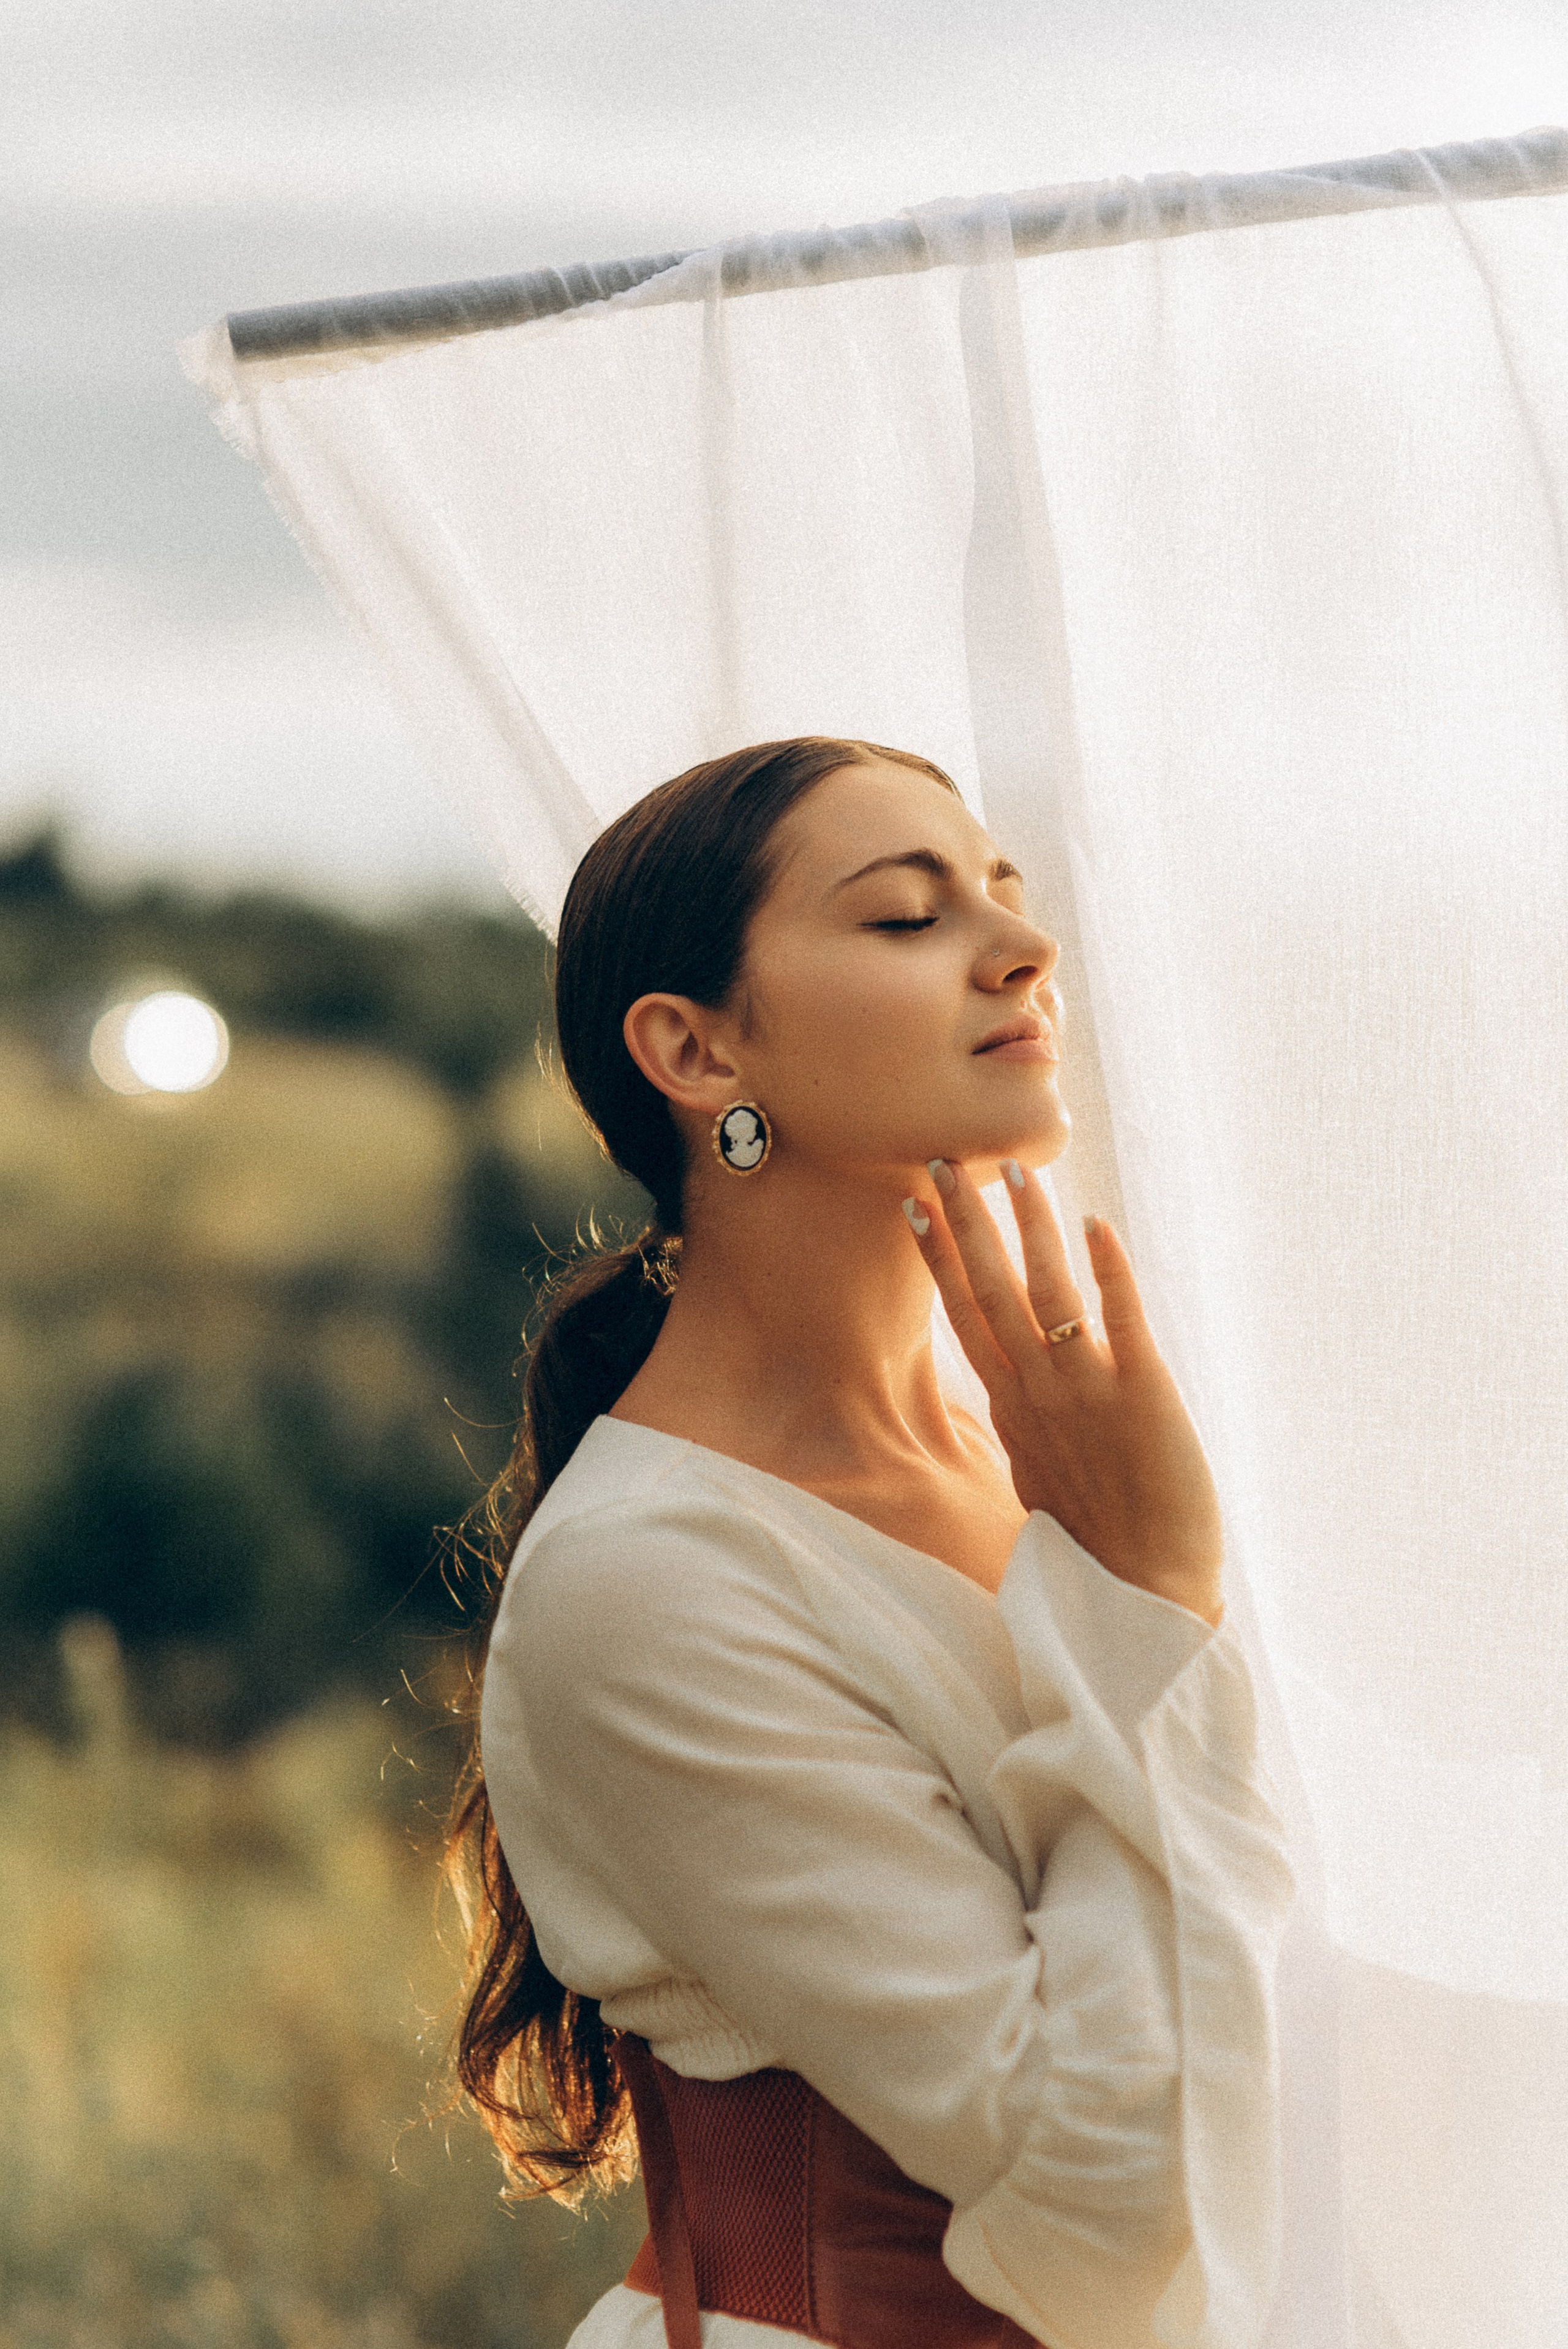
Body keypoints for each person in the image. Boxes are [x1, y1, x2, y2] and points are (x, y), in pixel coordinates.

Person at [446, 737, 1293, 2349]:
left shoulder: (1060, 1459)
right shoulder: (647, 1581)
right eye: (908, 916)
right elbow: (1113, 2213)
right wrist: (1148, 1601)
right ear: (695, 1049)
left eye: (1005, 895)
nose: (1022, 948)